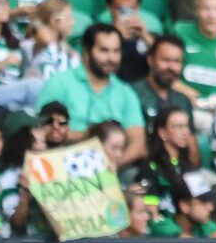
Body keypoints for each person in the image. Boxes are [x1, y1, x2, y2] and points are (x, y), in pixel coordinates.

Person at [38, 25, 148, 167]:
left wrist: (113, 166)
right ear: (86, 52)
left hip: (112, 171)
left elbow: (138, 144)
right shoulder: (59, 83)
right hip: (62, 164)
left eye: (116, 51)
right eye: (104, 50)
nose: (111, 58)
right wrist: (88, 136)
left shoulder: (126, 93)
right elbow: (42, 129)